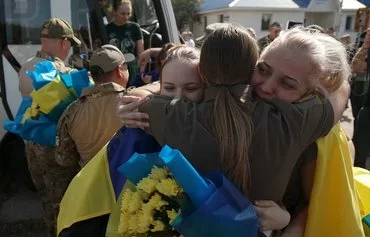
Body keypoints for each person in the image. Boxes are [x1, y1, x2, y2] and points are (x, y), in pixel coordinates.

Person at [117, 24, 350, 235]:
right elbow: (341, 90)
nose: (268, 87)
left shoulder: (171, 115)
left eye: (287, 83)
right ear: (250, 69)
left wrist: (142, 93)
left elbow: (142, 96)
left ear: (203, 74)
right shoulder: (296, 122)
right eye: (263, 69)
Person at [18, 17, 81, 237]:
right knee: (62, 202)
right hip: (53, 150)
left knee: (46, 198)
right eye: (70, 43)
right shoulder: (59, 72)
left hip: (31, 146)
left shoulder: (26, 66)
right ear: (64, 42)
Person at [55, 44, 133, 170]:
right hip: (132, 183)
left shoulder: (71, 111)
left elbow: (65, 159)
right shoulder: (133, 101)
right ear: (119, 71)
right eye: (126, 66)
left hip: (94, 184)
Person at [106, 0, 144, 85]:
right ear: (114, 12)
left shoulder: (134, 28)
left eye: (128, 13)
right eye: (122, 14)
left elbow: (141, 54)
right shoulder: (107, 29)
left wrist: (140, 73)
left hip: (132, 71)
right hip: (114, 72)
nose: (126, 17)